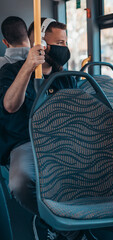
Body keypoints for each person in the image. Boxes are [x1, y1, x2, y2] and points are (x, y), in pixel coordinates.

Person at [0, 18, 95, 240]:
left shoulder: (65, 77)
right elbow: (10, 105)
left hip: (63, 140)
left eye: (66, 42)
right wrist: (28, 66)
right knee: (20, 182)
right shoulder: (11, 71)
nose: (64, 48)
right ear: (41, 43)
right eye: (59, 42)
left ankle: (68, 220)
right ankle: (65, 228)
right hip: (26, 142)